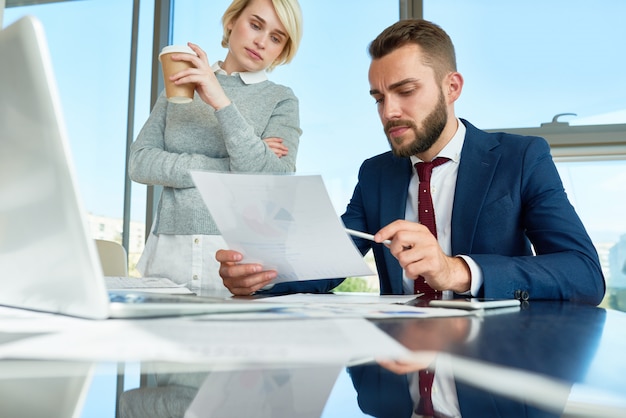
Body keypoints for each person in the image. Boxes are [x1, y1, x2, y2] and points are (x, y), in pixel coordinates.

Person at [216, 19, 605, 305]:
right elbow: (329, 259)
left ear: (451, 88)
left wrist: (457, 270)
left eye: (405, 91)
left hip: (495, 361)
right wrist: (261, 277)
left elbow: (584, 273)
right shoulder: (376, 173)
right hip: (397, 371)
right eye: (378, 98)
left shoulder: (520, 158)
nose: (390, 112)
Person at [129, 0, 304, 296]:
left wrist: (220, 100)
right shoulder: (180, 85)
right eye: (256, 25)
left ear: (282, 50)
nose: (261, 42)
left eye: (276, 38)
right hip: (169, 250)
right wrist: (231, 165)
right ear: (232, 21)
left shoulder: (281, 100)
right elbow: (140, 162)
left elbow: (274, 177)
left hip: (238, 258)